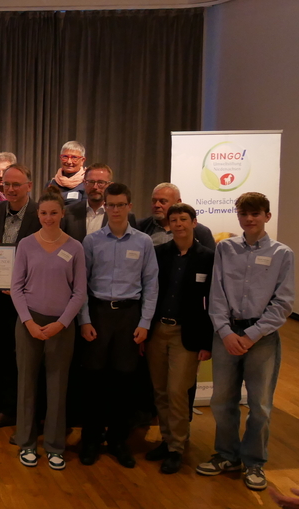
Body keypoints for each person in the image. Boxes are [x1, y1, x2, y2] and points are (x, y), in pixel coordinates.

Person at [196, 192, 294, 492]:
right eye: (244, 213)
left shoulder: (282, 254)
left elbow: (284, 302)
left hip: (261, 339)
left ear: (267, 216)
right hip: (226, 335)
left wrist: (251, 335)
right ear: (238, 215)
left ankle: (254, 462)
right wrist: (225, 332)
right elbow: (216, 293)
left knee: (260, 405)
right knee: (221, 401)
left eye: (255, 214)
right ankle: (227, 455)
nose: (249, 219)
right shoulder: (225, 248)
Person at [78, 183, 158, 468]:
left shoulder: (143, 242)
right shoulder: (92, 241)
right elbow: (81, 286)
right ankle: (90, 440)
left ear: (129, 206)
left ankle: (117, 441)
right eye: (110, 205)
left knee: (124, 382)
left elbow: (151, 285)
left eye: (120, 205)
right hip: (98, 314)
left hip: (129, 317)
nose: (114, 210)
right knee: (93, 382)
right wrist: (84, 319)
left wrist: (145, 322)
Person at [9, 186, 86, 470]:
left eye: (54, 213)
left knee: (57, 387)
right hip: (29, 324)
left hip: (61, 327)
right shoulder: (27, 244)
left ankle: (54, 446)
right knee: (27, 386)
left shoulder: (75, 247)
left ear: (62, 214)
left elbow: (79, 293)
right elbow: (16, 288)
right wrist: (28, 322)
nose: (48, 218)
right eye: (43, 213)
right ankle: (27, 443)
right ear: (38, 214)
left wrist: (61, 323)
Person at [143, 203, 214, 474]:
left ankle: (177, 447)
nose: (179, 224)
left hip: (188, 334)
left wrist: (207, 343)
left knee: (177, 392)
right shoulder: (159, 254)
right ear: (169, 225)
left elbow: (214, 302)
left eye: (184, 219)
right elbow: (149, 291)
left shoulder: (208, 257)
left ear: (194, 223)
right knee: (160, 390)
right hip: (158, 331)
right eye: (174, 220)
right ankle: (165, 438)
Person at [0, 164, 40, 431]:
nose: (11, 189)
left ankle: (32, 416)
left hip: (30, 300)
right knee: (3, 358)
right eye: (7, 185)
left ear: (29, 186)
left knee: (31, 360)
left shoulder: (41, 215)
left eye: (17, 185)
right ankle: (8, 410)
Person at [136, 182, 216, 249]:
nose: (157, 205)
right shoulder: (139, 227)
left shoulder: (200, 231)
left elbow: (211, 260)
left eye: (163, 201)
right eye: (154, 201)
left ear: (178, 202)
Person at [48, 141, 87, 206]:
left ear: (82, 160)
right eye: (65, 157)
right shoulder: (51, 184)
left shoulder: (86, 184)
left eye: (74, 157)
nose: (69, 161)